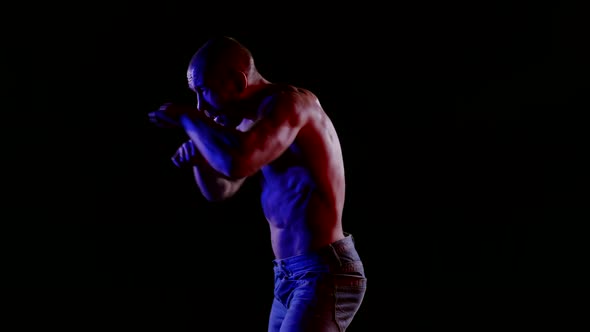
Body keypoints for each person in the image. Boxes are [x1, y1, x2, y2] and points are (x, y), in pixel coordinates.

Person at [148, 36, 366, 332]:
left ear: (237, 82)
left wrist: (188, 119)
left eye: (203, 92)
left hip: (323, 272)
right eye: (193, 97)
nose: (200, 106)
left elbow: (238, 162)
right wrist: (200, 160)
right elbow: (222, 188)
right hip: (288, 276)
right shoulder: (248, 122)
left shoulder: (289, 105)